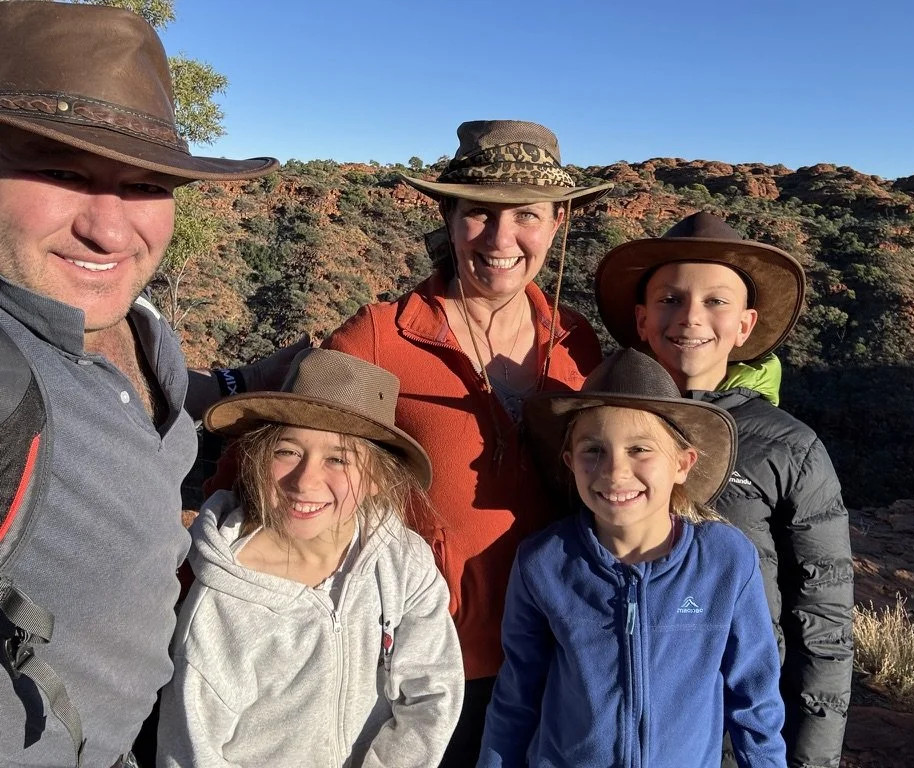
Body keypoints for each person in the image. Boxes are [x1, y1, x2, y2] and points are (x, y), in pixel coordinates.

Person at [0, 3, 285, 766]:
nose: (112, 229)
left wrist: (246, 382)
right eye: (61, 172)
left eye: (147, 184)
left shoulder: (139, 328)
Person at [320, 120, 614, 765]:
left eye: (527, 217)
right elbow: (285, 470)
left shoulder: (574, 340)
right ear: (449, 216)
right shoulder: (380, 338)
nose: (502, 239)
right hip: (424, 662)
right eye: (479, 213)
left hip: (564, 649)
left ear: (557, 222)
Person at [595, 212, 854, 768]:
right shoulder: (596, 435)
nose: (690, 317)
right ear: (641, 319)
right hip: (611, 726)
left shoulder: (787, 447)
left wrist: (813, 755)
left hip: (741, 730)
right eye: (669, 299)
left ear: (745, 324)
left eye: (716, 301)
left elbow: (823, 613)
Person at [478, 348, 787, 767]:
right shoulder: (544, 563)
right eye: (593, 451)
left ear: (682, 463)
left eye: (640, 449)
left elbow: (755, 701)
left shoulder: (725, 562)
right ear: (570, 462)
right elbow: (517, 696)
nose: (614, 472)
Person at [156, 349, 463, 768]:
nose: (305, 480)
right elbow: (192, 752)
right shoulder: (222, 608)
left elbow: (434, 691)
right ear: (259, 458)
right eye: (287, 452)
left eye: (338, 459)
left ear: (376, 478)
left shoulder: (403, 564)